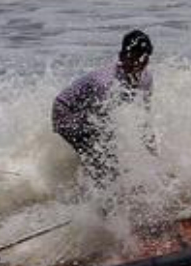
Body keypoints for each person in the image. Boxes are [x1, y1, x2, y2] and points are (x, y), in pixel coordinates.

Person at [52, 30, 156, 182]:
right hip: (65, 113)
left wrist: (153, 153)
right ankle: (92, 197)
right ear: (121, 57)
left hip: (88, 113)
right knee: (103, 161)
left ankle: (86, 184)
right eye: (132, 58)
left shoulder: (146, 78)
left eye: (143, 59)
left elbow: (145, 118)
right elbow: (98, 122)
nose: (137, 64)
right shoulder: (106, 83)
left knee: (107, 159)